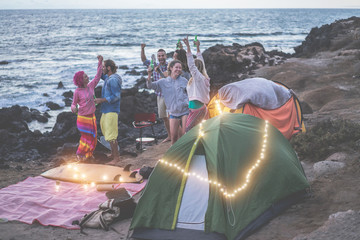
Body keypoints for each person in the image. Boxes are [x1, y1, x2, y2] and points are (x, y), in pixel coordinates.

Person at [146, 60, 189, 145]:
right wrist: (149, 74)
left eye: (180, 68)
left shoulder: (184, 80)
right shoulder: (163, 82)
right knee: (174, 137)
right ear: (171, 68)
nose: (178, 69)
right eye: (176, 67)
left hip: (185, 111)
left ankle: (186, 155)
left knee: (185, 135)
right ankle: (174, 156)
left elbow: (190, 93)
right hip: (173, 112)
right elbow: (150, 86)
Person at [71, 55, 103, 162]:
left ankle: (89, 155)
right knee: (86, 138)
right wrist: (73, 108)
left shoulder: (91, 86)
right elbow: (73, 104)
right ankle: (80, 154)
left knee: (93, 137)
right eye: (85, 77)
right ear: (80, 80)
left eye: (87, 76)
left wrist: (100, 62)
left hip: (92, 116)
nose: (87, 77)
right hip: (83, 118)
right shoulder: (77, 92)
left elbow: (98, 76)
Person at [141, 44, 171, 143]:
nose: (161, 57)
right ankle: (170, 135)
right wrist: (142, 49)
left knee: (172, 116)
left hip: (170, 95)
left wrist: (159, 71)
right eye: (159, 56)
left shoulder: (169, 66)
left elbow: (168, 79)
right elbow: (144, 60)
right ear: (157, 57)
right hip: (160, 95)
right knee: (164, 117)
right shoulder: (153, 64)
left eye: (163, 55)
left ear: (166, 56)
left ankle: (176, 136)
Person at [94, 59, 122, 165]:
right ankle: (113, 153)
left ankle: (116, 158)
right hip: (106, 110)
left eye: (104, 67)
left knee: (111, 135)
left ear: (109, 68)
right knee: (107, 132)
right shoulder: (108, 78)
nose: (102, 69)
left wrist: (102, 100)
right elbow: (100, 75)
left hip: (112, 111)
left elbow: (116, 96)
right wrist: (99, 62)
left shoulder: (113, 80)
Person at [183, 36, 210, 132]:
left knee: (188, 129)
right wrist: (198, 48)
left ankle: (194, 146)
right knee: (197, 130)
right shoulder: (202, 77)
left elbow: (191, 65)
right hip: (195, 108)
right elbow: (201, 61)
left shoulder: (199, 78)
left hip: (197, 109)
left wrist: (188, 47)